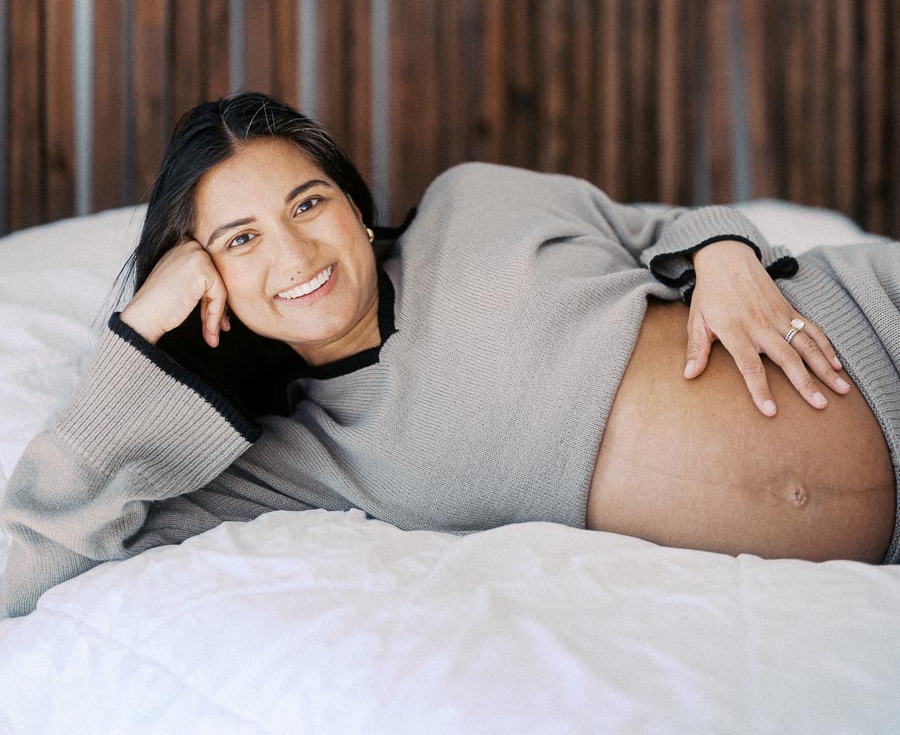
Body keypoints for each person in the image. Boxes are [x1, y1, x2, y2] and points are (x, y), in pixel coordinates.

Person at [2, 92, 898, 618]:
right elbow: (34, 553)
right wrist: (139, 332)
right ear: (205, 279)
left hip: (871, 314)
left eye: (308, 205)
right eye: (239, 241)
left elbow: (658, 227)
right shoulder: (292, 459)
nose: (297, 256)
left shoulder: (474, 203)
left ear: (353, 204)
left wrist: (727, 254)